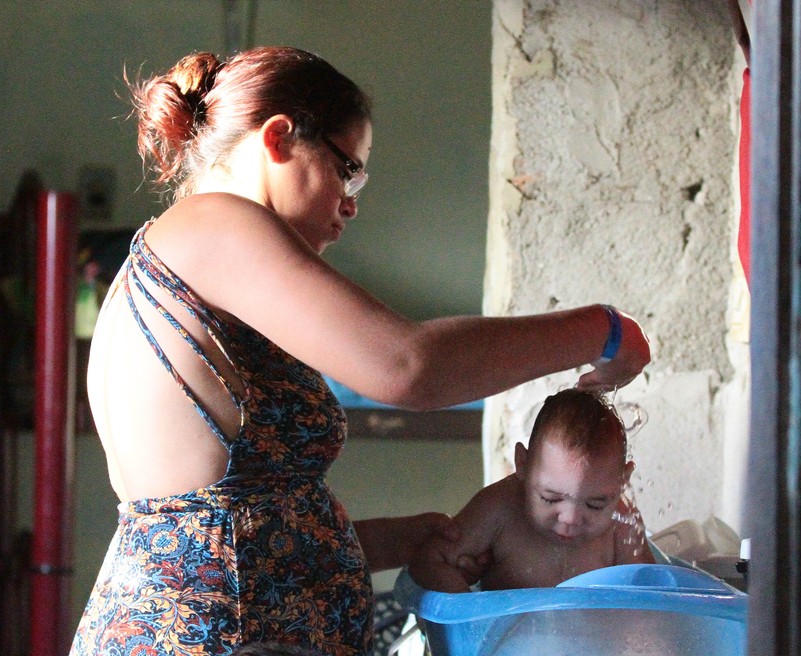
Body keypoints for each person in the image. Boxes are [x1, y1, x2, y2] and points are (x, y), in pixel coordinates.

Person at [70, 46, 651, 656]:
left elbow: (224, 526)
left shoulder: (180, 259)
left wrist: (396, 539)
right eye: (348, 170)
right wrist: (601, 329)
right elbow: (411, 367)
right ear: (278, 139)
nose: (351, 203)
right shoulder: (211, 224)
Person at [409, 388, 655, 593]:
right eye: (550, 498)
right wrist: (467, 611)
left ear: (622, 481)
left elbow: (653, 596)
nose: (570, 518)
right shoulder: (499, 508)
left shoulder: (622, 520)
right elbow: (430, 561)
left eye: (595, 504)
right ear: (523, 465)